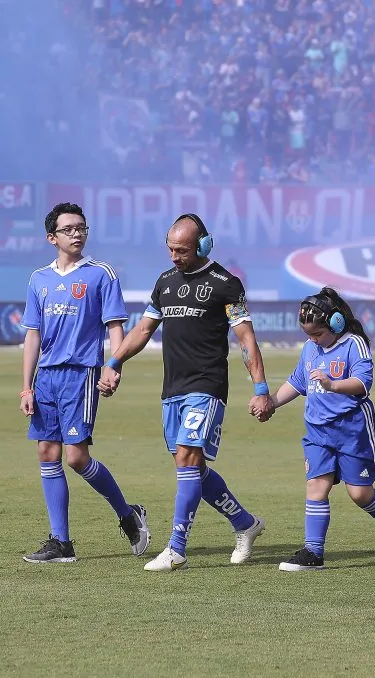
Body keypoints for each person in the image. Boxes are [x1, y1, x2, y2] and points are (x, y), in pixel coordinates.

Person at [98, 213, 269, 572]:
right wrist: (114, 362)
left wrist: (260, 387)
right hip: (172, 389)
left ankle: (176, 548)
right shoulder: (164, 282)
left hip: (207, 386)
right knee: (192, 467)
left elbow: (246, 339)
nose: (175, 256)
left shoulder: (226, 284)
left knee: (189, 459)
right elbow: (143, 330)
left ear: (204, 245)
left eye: (183, 250)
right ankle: (246, 524)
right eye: (171, 249)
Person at [19, 202, 150, 563]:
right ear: (52, 237)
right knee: (47, 453)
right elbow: (33, 335)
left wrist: (114, 365)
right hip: (46, 377)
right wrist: (26, 387)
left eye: (81, 228)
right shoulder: (38, 280)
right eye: (69, 229)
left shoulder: (100, 274)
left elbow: (114, 326)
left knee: (77, 458)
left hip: (81, 374)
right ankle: (61, 542)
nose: (77, 234)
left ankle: (128, 515)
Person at [258, 287, 375, 571]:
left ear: (335, 323)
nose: (312, 340)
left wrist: (333, 384)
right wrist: (270, 403)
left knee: (360, 494)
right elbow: (297, 382)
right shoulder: (309, 348)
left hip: (352, 429)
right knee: (316, 486)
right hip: (318, 431)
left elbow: (362, 383)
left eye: (317, 334)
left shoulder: (353, 344)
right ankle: (313, 552)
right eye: (308, 335)